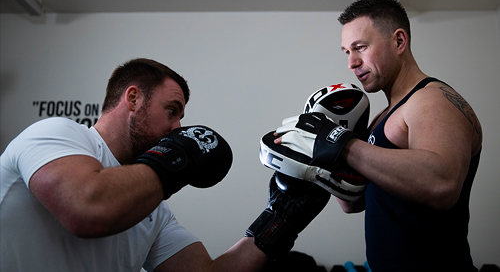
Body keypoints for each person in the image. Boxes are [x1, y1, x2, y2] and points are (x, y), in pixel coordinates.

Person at [0, 58, 328, 271]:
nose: (178, 128)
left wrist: (279, 218)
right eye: (172, 110)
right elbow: (87, 208)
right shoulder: (57, 133)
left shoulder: (153, 210)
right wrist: (176, 158)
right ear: (133, 98)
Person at [334, 0, 482, 271]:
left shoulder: (431, 100)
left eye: (360, 47)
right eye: (346, 52)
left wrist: (342, 144)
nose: (352, 62)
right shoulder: (382, 115)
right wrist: (318, 157)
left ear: (399, 41)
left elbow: (443, 184)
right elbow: (352, 203)